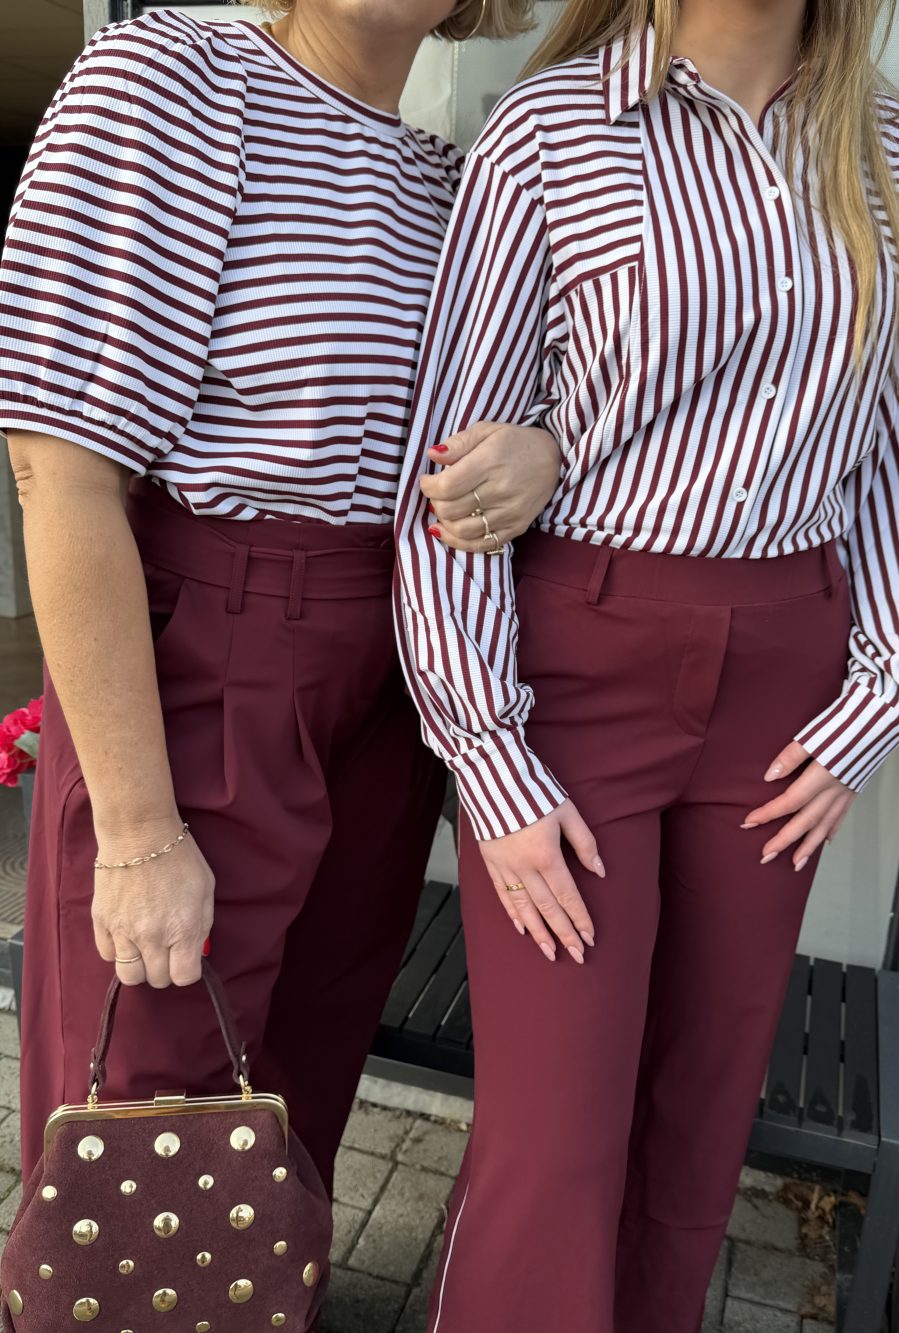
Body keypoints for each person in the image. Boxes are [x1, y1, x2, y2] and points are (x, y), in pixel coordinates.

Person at [394, 0, 899, 1327]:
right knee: (557, 1133)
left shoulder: (887, 155)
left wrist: (884, 697)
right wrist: (489, 754)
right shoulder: (550, 131)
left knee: (702, 1111)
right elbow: (453, 471)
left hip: (786, 685)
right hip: (579, 665)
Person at [0, 0, 558, 1194]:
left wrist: (544, 451)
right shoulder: (172, 78)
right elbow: (60, 467)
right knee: (150, 1107)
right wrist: (141, 833)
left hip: (397, 674)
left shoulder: (452, 183)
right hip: (211, 652)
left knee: (296, 1090)